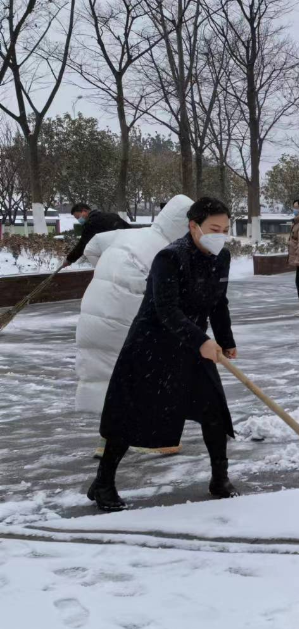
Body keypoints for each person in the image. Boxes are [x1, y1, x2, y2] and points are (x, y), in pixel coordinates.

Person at [87, 197, 239, 512]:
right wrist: (201, 340)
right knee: (130, 415)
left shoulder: (221, 257)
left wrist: (225, 340)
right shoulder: (169, 258)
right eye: (214, 228)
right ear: (193, 226)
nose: (220, 235)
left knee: (213, 408)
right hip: (151, 346)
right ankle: (103, 482)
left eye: (225, 229)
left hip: (192, 345)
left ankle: (220, 478)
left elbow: (218, 302)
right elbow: (166, 310)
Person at [76, 194, 194, 457]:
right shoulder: (169, 251)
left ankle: (106, 441)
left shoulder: (127, 234)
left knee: (107, 378)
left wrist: (108, 272)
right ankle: (155, 439)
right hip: (129, 314)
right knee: (148, 375)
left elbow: (91, 247)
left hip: (94, 309)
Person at [64, 203, 135, 267]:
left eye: (78, 217)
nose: (79, 220)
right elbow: (129, 230)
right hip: (128, 252)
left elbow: (82, 245)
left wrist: (69, 259)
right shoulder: (112, 216)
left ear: (84, 211)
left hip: (114, 257)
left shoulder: (91, 224)